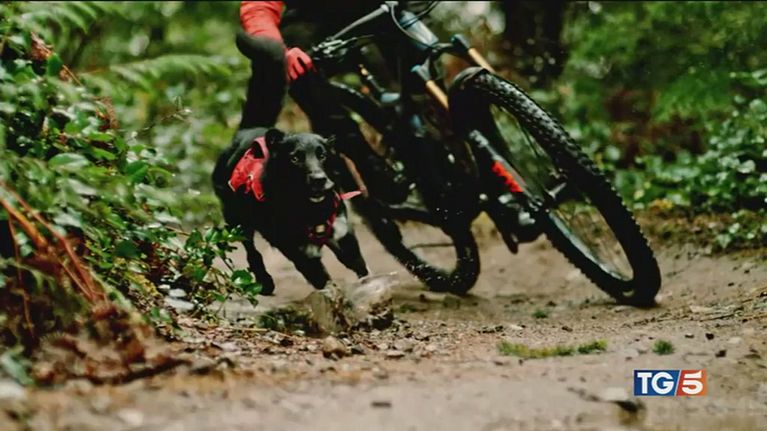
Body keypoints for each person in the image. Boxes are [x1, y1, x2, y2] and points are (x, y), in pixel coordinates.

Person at [236, 0, 408, 203]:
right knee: (299, 69)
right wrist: (281, 52)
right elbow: (259, 6)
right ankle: (366, 161)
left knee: (416, 50)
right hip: (311, 18)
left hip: (381, 7)